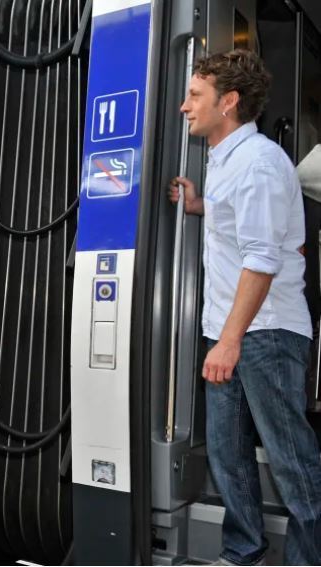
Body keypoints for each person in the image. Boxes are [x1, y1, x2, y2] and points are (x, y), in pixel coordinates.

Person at [170, 49, 321, 565]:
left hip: (265, 335)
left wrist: (230, 342)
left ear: (228, 102)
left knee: (292, 462)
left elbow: (262, 259)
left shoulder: (257, 163)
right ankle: (243, 553)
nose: (185, 107)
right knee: (228, 455)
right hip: (231, 331)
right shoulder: (228, 162)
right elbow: (245, 225)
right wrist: (200, 206)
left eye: (195, 96)